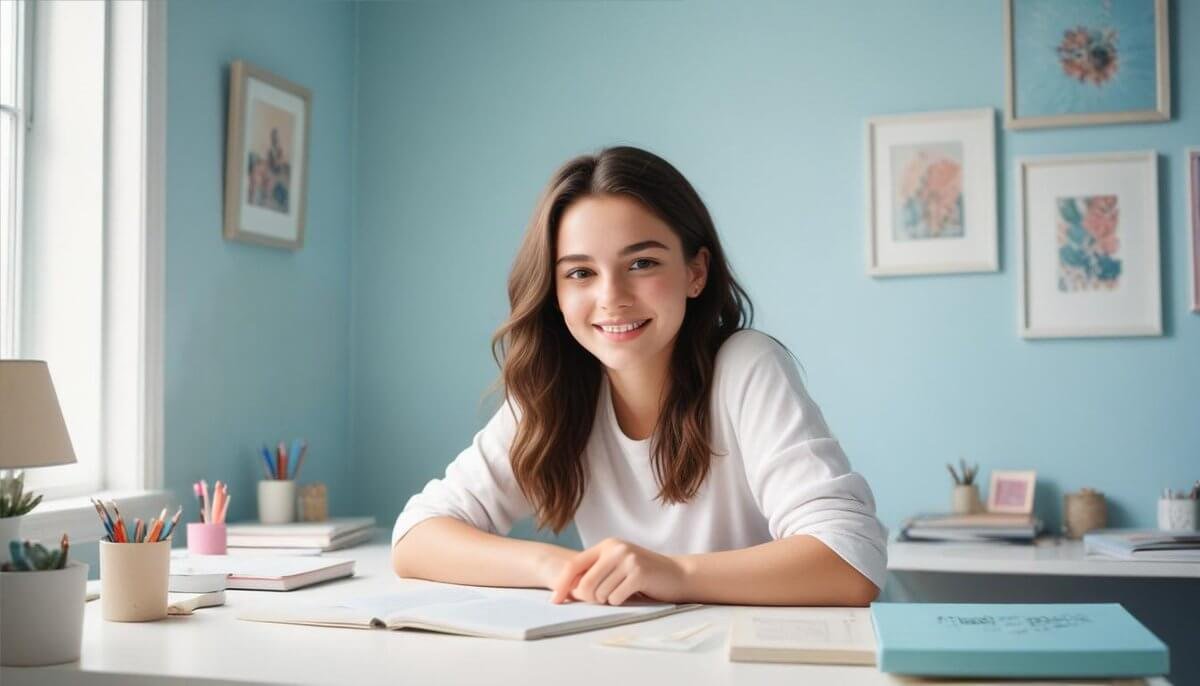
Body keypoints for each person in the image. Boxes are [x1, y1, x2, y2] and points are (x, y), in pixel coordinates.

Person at [391, 146, 886, 607]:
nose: (612, 297)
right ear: (555, 290)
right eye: (581, 273)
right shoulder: (554, 393)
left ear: (696, 272)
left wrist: (674, 575)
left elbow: (850, 562)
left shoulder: (745, 366)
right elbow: (416, 536)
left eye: (642, 263)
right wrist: (557, 566)